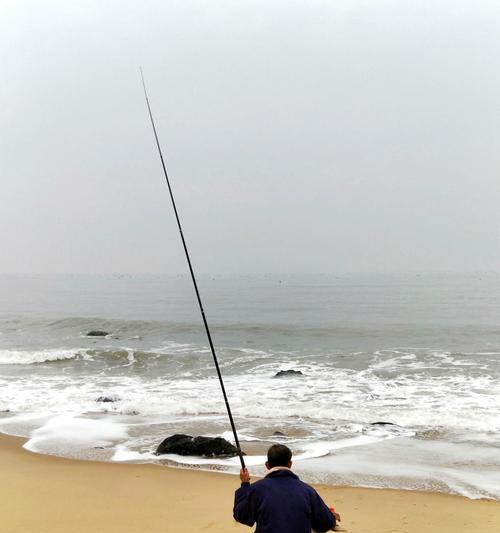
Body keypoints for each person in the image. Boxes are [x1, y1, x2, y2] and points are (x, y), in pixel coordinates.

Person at [233, 444, 340, 533]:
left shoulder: (257, 489)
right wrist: (331, 515)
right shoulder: (307, 490)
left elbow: (241, 515)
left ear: (267, 465)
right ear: (290, 464)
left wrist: (245, 484)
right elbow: (325, 524)